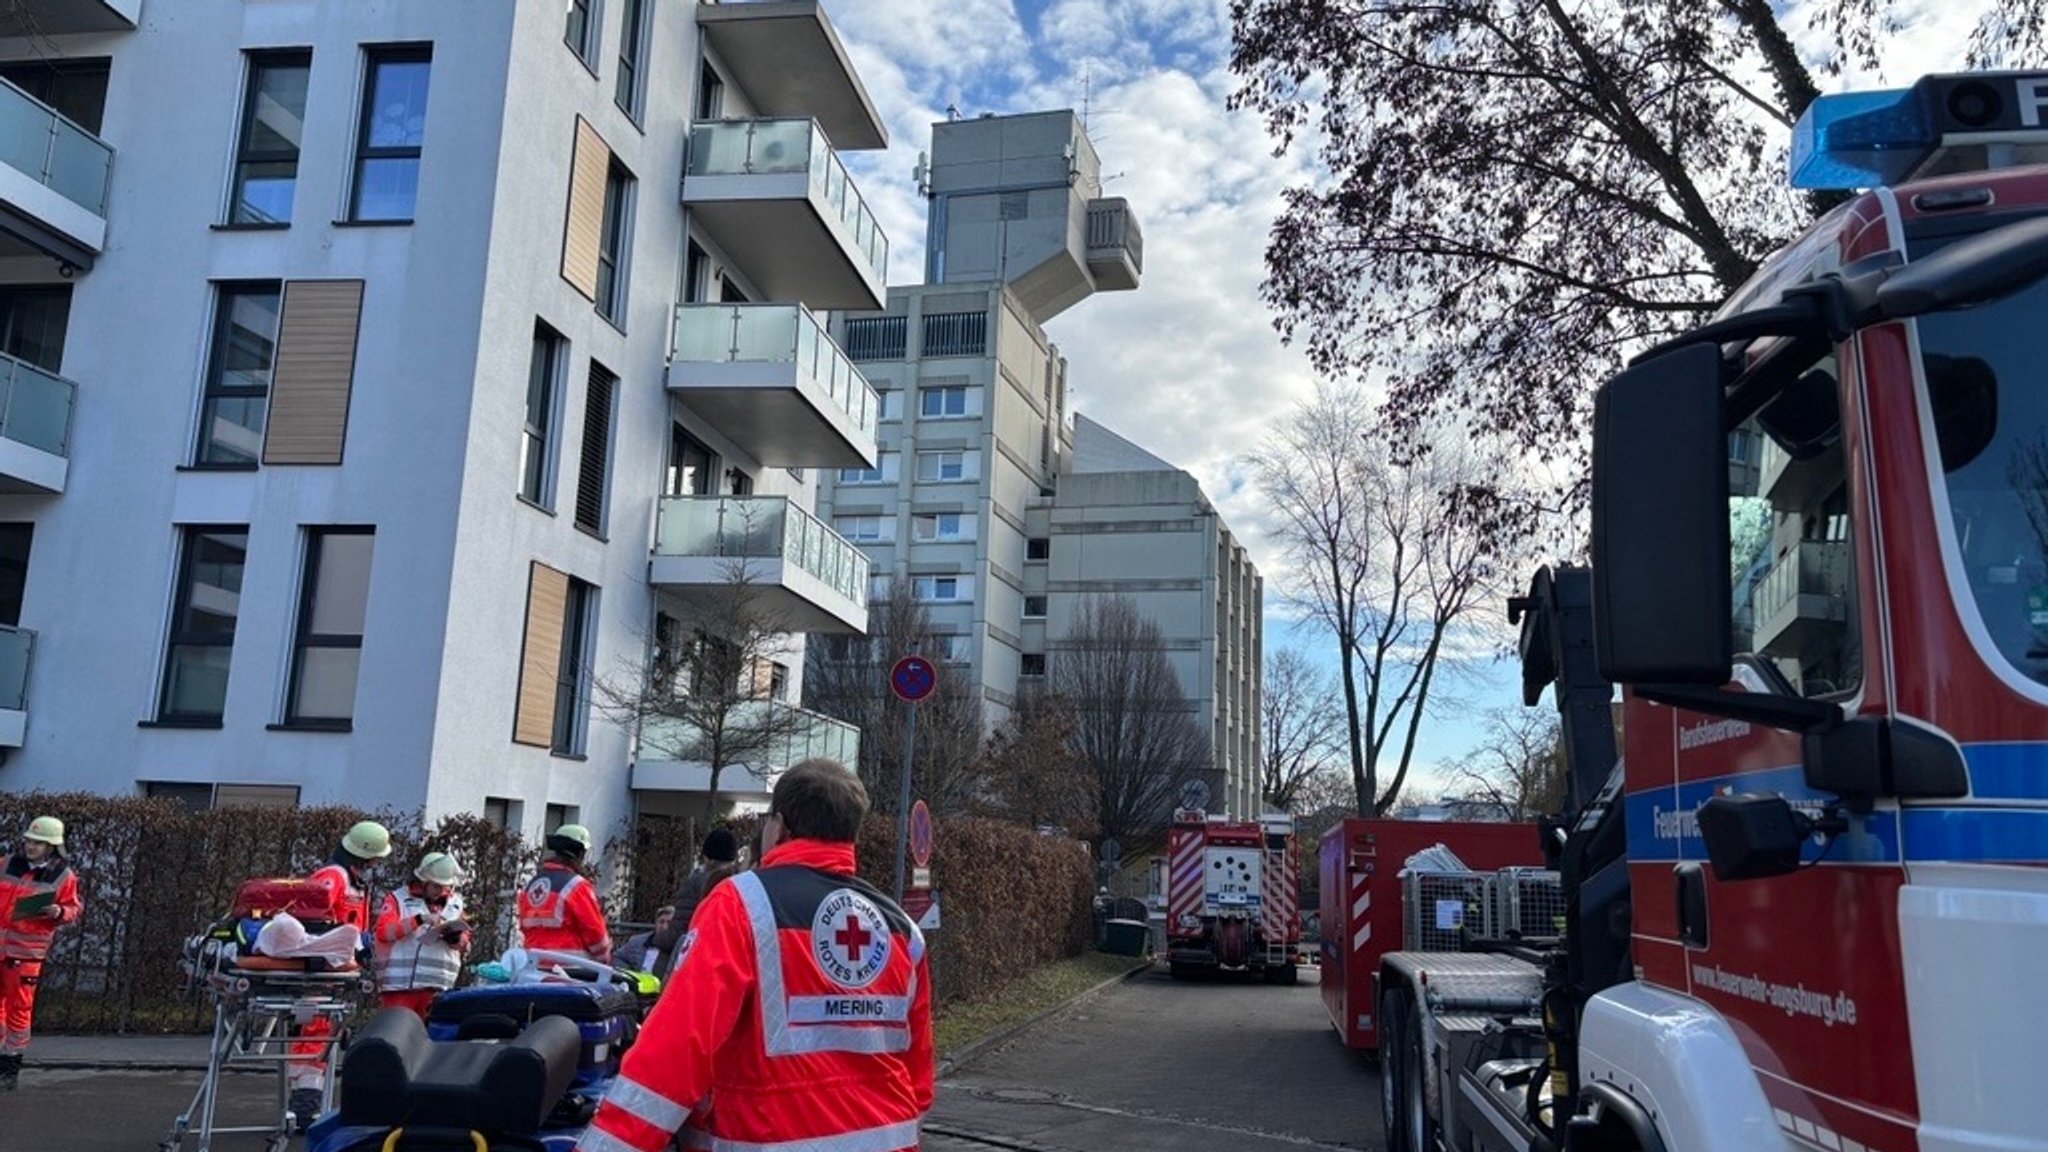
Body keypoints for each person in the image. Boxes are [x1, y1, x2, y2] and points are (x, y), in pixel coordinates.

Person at [573, 760, 933, 1152]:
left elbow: (677, 1050)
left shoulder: (741, 903)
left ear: (778, 826)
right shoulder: (900, 929)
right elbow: (918, 1075)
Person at [288, 819, 391, 1129]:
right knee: (314, 1033)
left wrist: (361, 946)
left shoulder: (352, 880)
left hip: (338, 968)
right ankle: (303, 1107)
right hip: (322, 967)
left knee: (323, 1034)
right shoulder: (334, 877)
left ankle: (307, 1105)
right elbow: (308, 919)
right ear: (367, 855)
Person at [0, 816, 82, 1091]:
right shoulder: (8, 862)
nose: (30, 846)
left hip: (26, 953)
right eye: (29, 841)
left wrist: (58, 912)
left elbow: (73, 909)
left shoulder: (63, 876)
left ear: (51, 846)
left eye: (38, 842)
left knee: (19, 1008)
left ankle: (10, 1067)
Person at [373, 851, 469, 1020]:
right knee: (396, 1037)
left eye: (444, 886)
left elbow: (465, 944)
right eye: (436, 886)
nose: (440, 891)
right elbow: (384, 933)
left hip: (439, 987)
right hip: (400, 987)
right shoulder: (398, 899)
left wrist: (456, 939)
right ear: (423, 882)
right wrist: (419, 920)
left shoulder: (455, 904)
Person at [646, 827, 739, 977]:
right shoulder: (744, 885)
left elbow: (678, 934)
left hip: (698, 967)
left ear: (707, 857)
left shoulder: (696, 883)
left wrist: (652, 940)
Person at [517, 823, 612, 964]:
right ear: (580, 853)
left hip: (534, 967)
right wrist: (604, 961)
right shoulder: (577, 886)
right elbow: (595, 932)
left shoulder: (532, 885)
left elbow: (524, 926)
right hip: (570, 971)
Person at [612, 906, 672, 974]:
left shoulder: (679, 947)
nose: (664, 926)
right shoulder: (638, 942)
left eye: (669, 923)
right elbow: (618, 957)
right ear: (656, 923)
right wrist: (630, 975)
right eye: (661, 922)